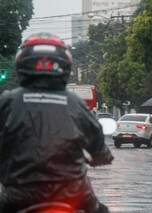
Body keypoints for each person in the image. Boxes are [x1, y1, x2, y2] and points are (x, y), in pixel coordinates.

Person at [0, 33, 113, 212]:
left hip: (17, 196)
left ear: (22, 65)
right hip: (74, 194)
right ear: (64, 66)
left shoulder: (7, 101)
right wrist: (102, 157)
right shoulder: (75, 102)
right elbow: (98, 143)